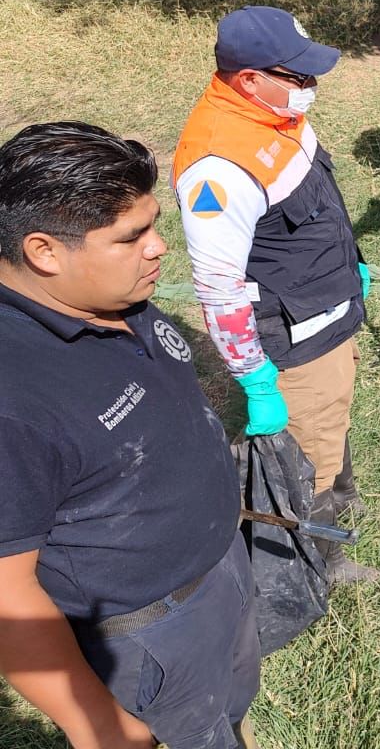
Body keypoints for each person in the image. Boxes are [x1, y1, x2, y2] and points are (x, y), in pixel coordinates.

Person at [0, 122, 260, 749]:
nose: (159, 248)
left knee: (230, 713)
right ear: (44, 252)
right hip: (152, 634)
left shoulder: (110, 295)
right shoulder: (14, 399)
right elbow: (7, 598)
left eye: (154, 224)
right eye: (133, 235)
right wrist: (103, 730)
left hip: (221, 571)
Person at [173, 5, 379, 585]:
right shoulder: (219, 165)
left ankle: (343, 491)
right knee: (306, 448)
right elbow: (218, 287)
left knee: (331, 415)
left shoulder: (275, 117)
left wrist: (352, 268)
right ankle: (320, 564)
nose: (309, 87)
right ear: (249, 79)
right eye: (298, 76)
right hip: (294, 335)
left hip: (327, 308)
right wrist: (257, 383)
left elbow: (318, 206)